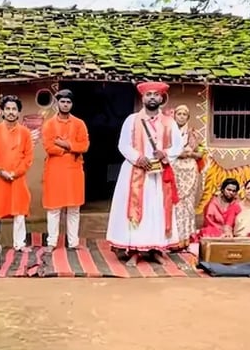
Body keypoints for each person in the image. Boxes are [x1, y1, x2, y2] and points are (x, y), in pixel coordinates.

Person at [106, 81, 184, 267]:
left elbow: (178, 146)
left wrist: (166, 154)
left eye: (156, 95)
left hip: (158, 175)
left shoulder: (169, 122)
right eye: (148, 94)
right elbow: (123, 145)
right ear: (142, 98)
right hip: (135, 172)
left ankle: (156, 250)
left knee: (157, 211)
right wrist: (138, 158)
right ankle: (134, 251)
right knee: (137, 211)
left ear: (161, 98)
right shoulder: (131, 120)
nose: (152, 98)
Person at [41, 89, 90, 251]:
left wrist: (66, 144)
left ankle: (73, 242)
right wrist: (70, 149)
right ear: (57, 103)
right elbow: (48, 146)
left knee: (74, 208)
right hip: (55, 170)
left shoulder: (79, 123)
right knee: (54, 208)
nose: (65, 104)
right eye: (62, 101)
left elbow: (84, 146)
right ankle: (52, 242)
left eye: (68, 102)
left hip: (74, 170)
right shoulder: (49, 124)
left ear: (72, 104)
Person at [0, 95, 34, 252]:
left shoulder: (25, 133)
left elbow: (28, 157)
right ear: (2, 111)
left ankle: (19, 244)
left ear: (19, 112)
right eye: (8, 109)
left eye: (14, 109)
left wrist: (16, 173)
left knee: (19, 212)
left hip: (18, 179)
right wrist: (1, 171)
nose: (11, 112)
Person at [172, 104, 204, 249]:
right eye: (179, 114)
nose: (182, 117)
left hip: (190, 171)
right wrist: (177, 153)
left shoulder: (193, 133)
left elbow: (201, 153)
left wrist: (190, 154)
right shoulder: (169, 133)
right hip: (174, 170)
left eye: (185, 114)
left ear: (188, 117)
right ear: (174, 116)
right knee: (175, 204)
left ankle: (186, 238)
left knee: (188, 204)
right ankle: (174, 239)